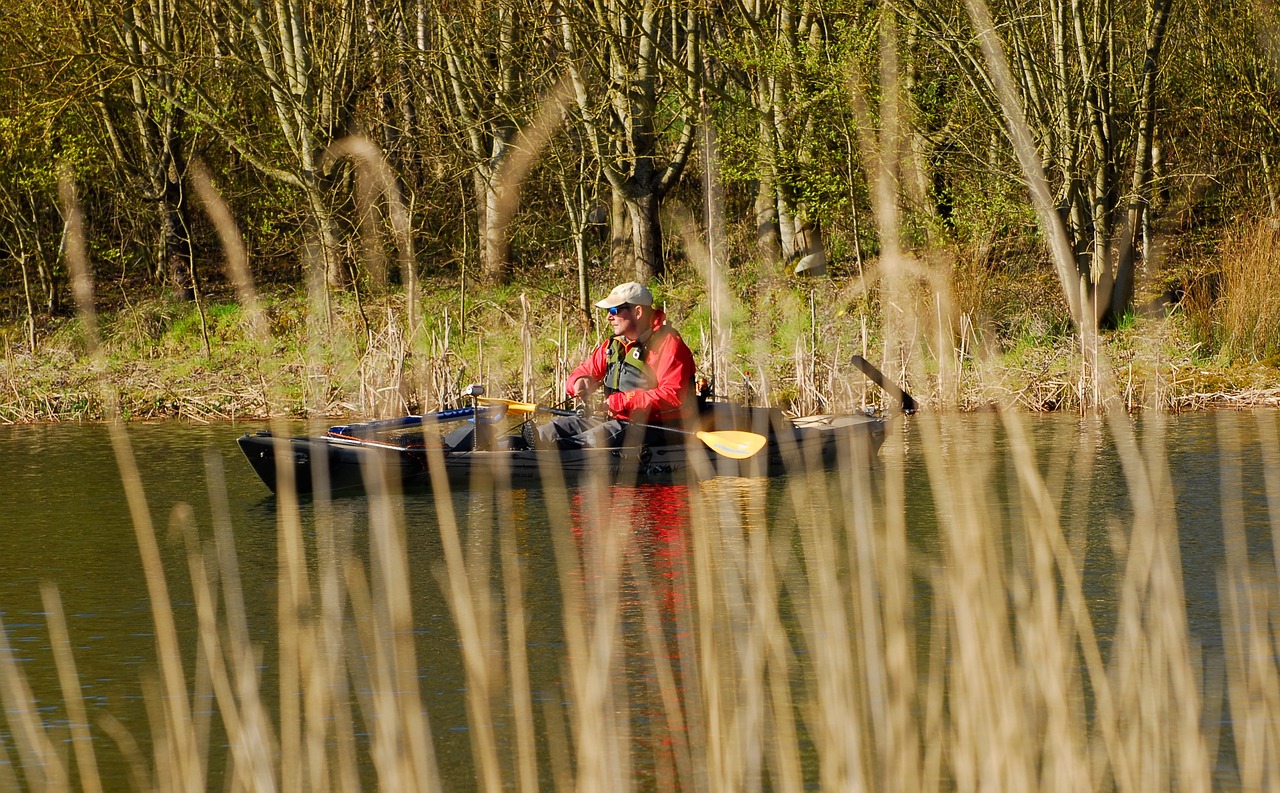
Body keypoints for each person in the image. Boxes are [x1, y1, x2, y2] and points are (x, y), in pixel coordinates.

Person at [539, 281, 696, 449]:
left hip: (658, 427)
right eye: (608, 311)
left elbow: (672, 395)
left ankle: (549, 453)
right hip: (616, 421)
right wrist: (579, 381)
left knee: (594, 438)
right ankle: (524, 444)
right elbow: (586, 369)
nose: (609, 317)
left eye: (614, 310)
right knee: (552, 429)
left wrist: (622, 401)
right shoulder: (613, 345)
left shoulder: (668, 345)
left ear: (637, 312)